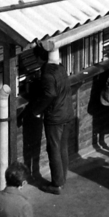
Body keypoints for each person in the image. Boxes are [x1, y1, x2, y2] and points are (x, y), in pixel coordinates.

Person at [35, 38, 72, 193]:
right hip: (67, 112)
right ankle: (63, 177)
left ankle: (57, 183)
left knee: (54, 149)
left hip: (55, 116)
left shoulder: (47, 75)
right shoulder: (61, 68)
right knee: (62, 147)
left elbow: (49, 93)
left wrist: (37, 110)